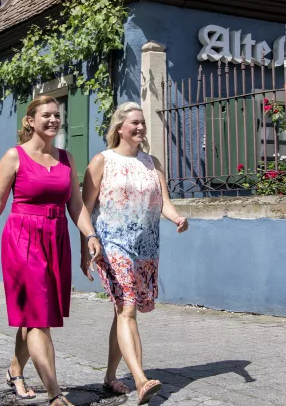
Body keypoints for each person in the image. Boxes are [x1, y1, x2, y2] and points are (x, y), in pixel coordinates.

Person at [0, 95, 101, 406]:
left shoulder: (67, 159)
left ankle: (15, 370)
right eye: (46, 115)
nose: (53, 120)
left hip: (56, 239)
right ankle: (55, 394)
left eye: (57, 115)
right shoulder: (15, 157)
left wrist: (90, 235)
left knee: (34, 315)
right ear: (30, 121)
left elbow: (75, 204)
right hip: (23, 240)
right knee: (39, 319)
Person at [79, 102, 188, 405]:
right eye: (135, 123)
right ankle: (141, 380)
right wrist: (84, 248)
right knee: (127, 308)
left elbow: (163, 201)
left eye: (142, 123)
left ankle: (110, 375)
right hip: (113, 247)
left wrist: (177, 217)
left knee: (124, 311)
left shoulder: (152, 163)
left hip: (146, 248)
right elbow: (83, 210)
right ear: (119, 128)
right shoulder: (102, 161)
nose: (140, 128)